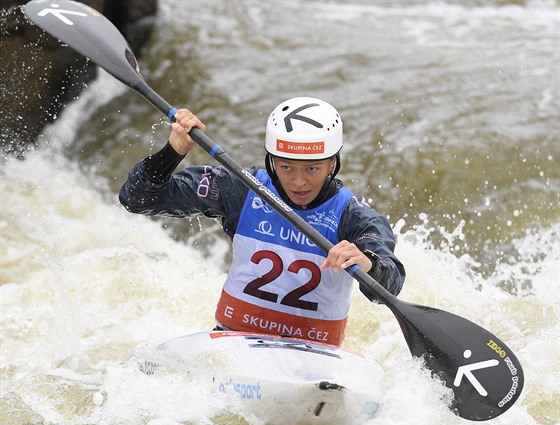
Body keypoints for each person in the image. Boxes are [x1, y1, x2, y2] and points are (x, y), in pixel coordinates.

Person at [119, 96, 405, 346]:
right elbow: (137, 198)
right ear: (272, 160)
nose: (299, 182)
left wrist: (368, 264)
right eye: (286, 166)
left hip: (315, 356)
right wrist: (174, 151)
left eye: (313, 168)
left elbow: (390, 283)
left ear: (332, 163)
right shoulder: (241, 188)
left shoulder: (353, 215)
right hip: (235, 343)